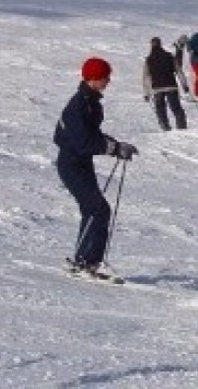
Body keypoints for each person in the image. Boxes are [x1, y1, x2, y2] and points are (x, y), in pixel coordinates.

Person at [52, 57, 138, 280]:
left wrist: (117, 146)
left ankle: (86, 261)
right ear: (92, 79)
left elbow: (93, 136)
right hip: (71, 163)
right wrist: (114, 148)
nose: (108, 81)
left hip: (80, 161)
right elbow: (83, 141)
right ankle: (86, 262)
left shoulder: (89, 102)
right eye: (104, 77)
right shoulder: (79, 105)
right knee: (98, 209)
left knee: (94, 209)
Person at [142, 38, 187, 131]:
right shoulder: (169, 56)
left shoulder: (149, 60)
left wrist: (146, 93)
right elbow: (179, 71)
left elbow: (146, 78)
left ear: (151, 45)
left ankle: (165, 126)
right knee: (176, 107)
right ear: (160, 44)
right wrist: (184, 85)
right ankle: (181, 126)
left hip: (157, 88)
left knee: (160, 109)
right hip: (171, 86)